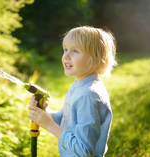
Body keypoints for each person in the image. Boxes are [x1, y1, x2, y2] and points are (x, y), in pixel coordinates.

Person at [27, 25, 118, 157]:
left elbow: (83, 151)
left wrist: (49, 126)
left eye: (75, 51)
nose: (66, 56)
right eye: (65, 49)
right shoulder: (79, 85)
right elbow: (69, 121)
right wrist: (45, 114)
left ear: (95, 59)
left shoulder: (88, 95)